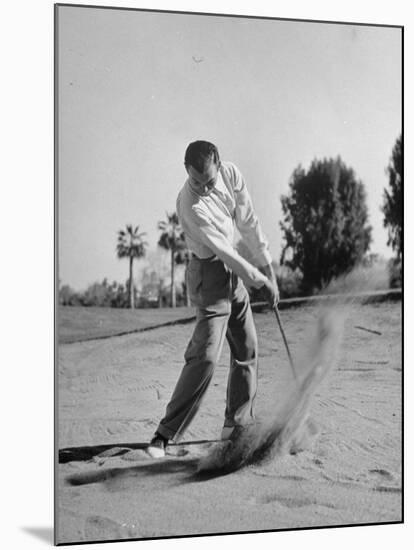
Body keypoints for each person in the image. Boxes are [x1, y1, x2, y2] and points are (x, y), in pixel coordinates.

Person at [147, 140, 279, 458]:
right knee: (205, 355)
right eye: (196, 182)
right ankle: (163, 436)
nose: (203, 189)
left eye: (209, 181)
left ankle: (236, 426)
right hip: (209, 275)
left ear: (218, 165)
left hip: (234, 275)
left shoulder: (231, 174)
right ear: (186, 171)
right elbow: (224, 250)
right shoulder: (189, 205)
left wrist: (268, 267)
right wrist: (260, 281)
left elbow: (248, 221)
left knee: (247, 347)